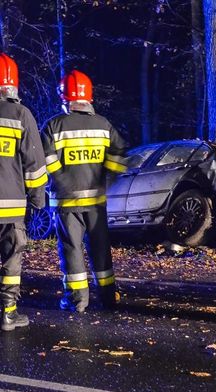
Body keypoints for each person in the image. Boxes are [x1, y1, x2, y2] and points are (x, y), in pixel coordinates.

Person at [42, 69, 128, 313]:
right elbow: (120, 154)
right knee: (100, 249)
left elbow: (47, 162)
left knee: (72, 249)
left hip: (66, 203)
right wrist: (106, 181)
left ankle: (77, 300)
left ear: (65, 99)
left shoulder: (53, 126)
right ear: (89, 98)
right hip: (96, 202)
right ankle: (108, 297)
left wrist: (63, 183)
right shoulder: (104, 125)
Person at [0, 54, 47, 330]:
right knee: (11, 258)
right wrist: (38, 199)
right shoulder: (21, 116)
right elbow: (35, 165)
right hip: (11, 207)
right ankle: (8, 312)